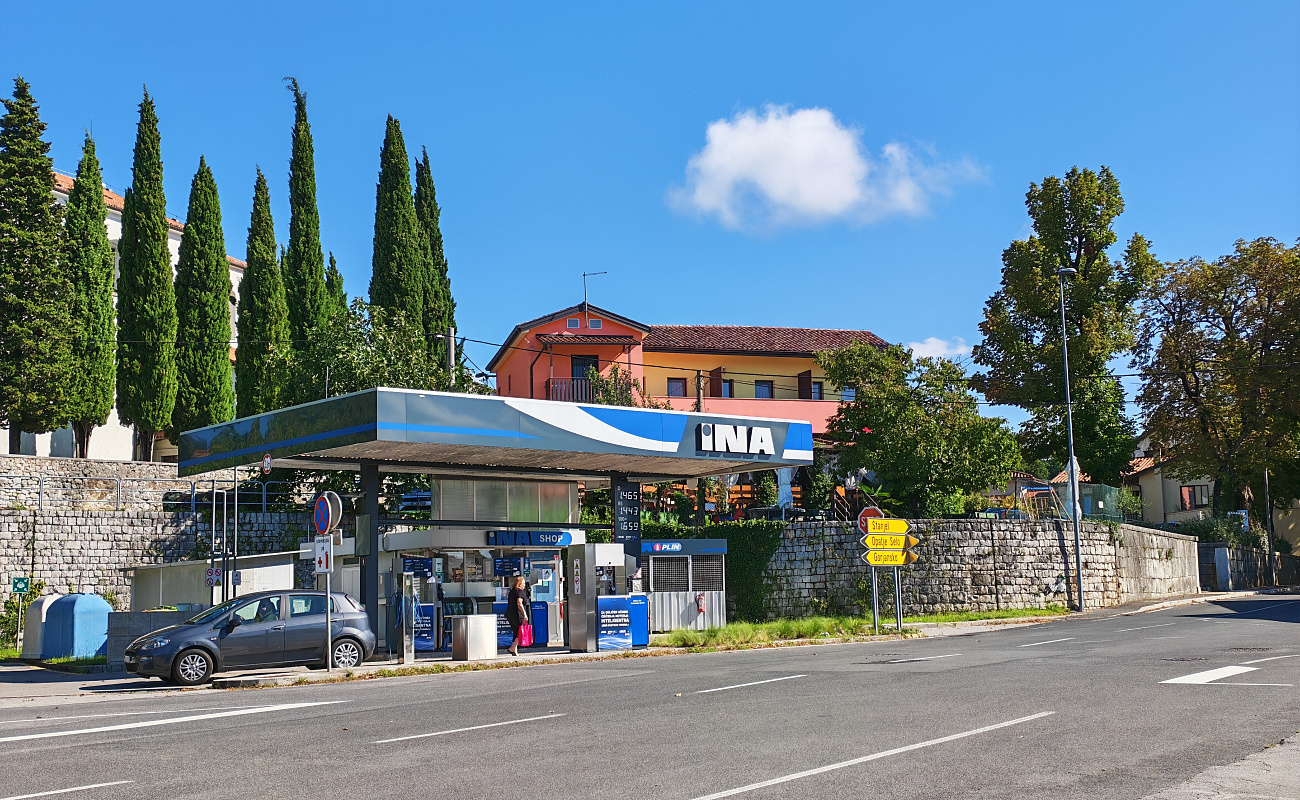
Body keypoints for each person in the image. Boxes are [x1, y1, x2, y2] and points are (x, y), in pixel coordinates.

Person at [505, 575, 528, 656]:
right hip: (518, 614)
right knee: (520, 632)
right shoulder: (520, 592)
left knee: (516, 631)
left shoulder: (512, 591)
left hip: (510, 614)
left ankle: (514, 650)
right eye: (523, 583)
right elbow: (519, 603)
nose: (524, 585)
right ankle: (512, 648)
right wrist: (524, 614)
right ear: (520, 584)